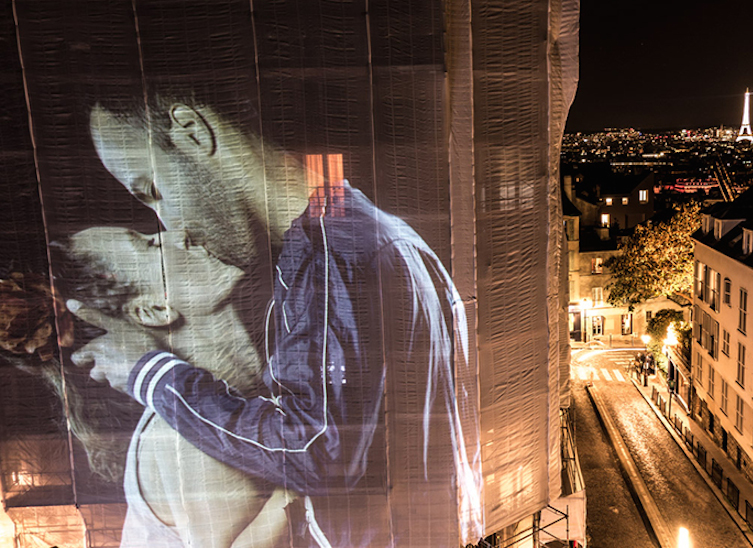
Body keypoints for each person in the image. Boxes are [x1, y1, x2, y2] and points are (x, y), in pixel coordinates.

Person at [70, 99, 483, 547]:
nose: (171, 224)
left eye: (152, 188)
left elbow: (318, 453)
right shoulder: (373, 232)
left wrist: (149, 372)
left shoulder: (333, 259)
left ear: (191, 131)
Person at [62, 226, 295, 547]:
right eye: (148, 244)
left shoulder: (239, 390)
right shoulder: (181, 437)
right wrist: (317, 468)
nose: (179, 234)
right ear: (154, 310)